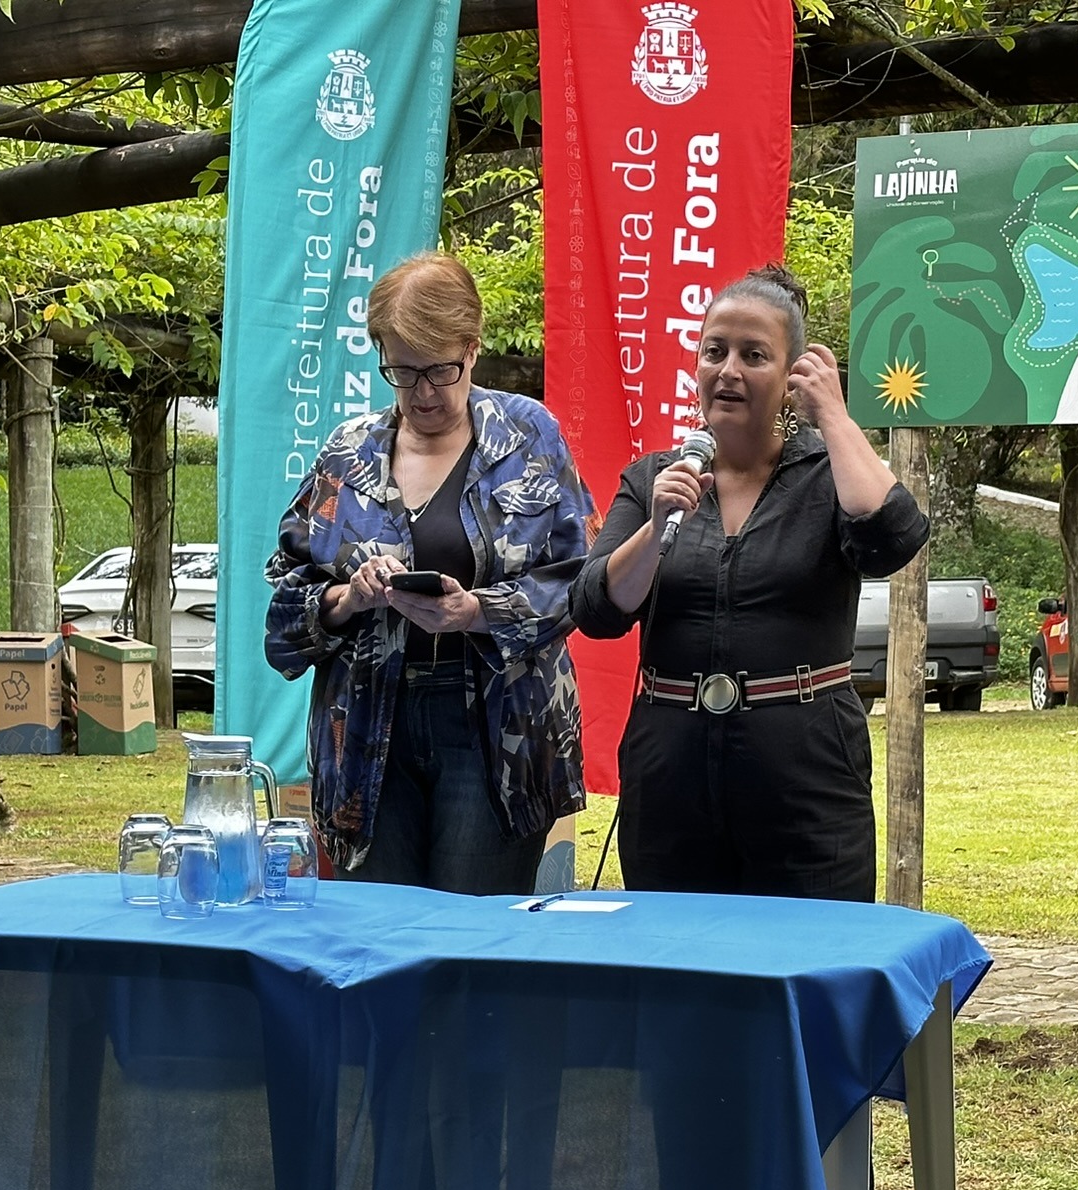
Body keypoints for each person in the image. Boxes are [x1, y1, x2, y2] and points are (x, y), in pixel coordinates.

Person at [571, 264, 927, 900]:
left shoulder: (826, 471)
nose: (728, 370)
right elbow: (597, 610)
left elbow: (893, 539)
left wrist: (835, 419)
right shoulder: (655, 478)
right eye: (715, 351)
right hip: (671, 775)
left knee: (813, 965)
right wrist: (655, 531)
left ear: (792, 376)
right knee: (680, 970)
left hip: (806, 776)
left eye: (754, 355)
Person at [264, 252, 591, 893]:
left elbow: (582, 584)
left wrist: (477, 612)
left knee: (469, 939)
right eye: (402, 371)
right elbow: (284, 609)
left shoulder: (529, 438)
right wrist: (346, 600)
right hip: (364, 727)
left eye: (441, 370)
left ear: (473, 348)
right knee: (378, 934)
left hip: (495, 731)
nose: (423, 394)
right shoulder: (347, 452)